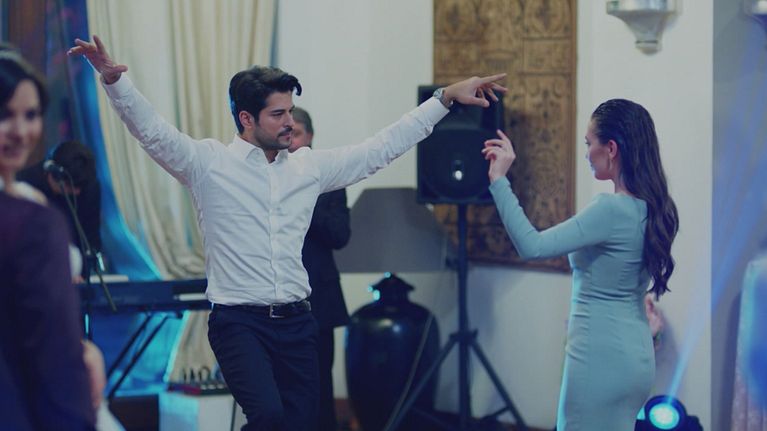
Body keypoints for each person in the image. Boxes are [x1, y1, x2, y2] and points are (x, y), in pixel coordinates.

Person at [68, 35, 506, 431]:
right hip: (239, 323)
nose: (289, 123)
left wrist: (443, 99)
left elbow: (381, 148)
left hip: (298, 323)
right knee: (269, 418)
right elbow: (152, 132)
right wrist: (114, 82)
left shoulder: (308, 168)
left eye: (290, 111)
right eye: (278, 114)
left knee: (302, 423)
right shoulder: (208, 164)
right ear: (247, 118)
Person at [482, 99, 679, 431]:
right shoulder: (654, 208)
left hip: (598, 359)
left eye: (589, 144)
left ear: (611, 148)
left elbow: (532, 246)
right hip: (637, 357)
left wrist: (499, 179)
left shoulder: (609, 209)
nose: (587, 153)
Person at [0, 48, 97, 430]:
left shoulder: (28, 203)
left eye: (31, 115)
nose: (20, 131)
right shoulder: (31, 221)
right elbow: (50, 346)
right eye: (4, 114)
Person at [288, 107, 351, 431]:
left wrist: (305, 195)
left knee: (320, 387)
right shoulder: (268, 175)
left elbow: (340, 236)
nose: (291, 142)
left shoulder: (329, 179)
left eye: (296, 134)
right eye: (286, 135)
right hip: (277, 300)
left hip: (319, 303)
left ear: (310, 137)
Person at [17, 139, 102, 277]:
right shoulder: (25, 185)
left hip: (76, 274)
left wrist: (82, 273)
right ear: (53, 174)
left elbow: (91, 236)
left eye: (80, 188)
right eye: (72, 187)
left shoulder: (89, 187)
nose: (77, 192)